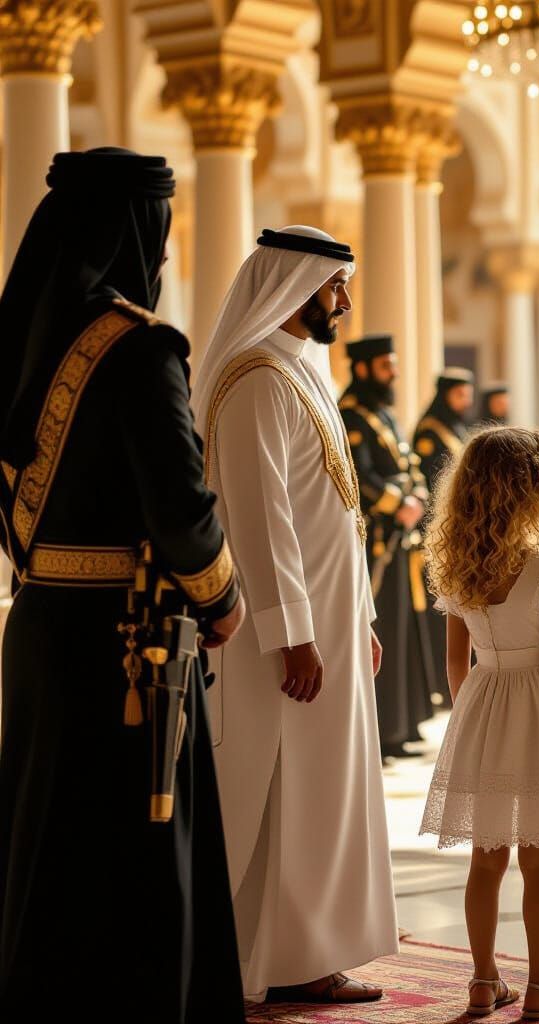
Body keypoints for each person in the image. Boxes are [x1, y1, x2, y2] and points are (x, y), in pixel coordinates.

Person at [0, 149, 246, 1023]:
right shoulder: (141, 349)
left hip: (37, 627)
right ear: (136, 231)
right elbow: (181, 506)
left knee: (46, 832)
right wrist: (223, 601)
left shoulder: (22, 343)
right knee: (130, 843)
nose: (169, 254)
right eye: (161, 230)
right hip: (129, 646)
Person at [192, 226, 398, 1003]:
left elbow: (338, 514)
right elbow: (260, 519)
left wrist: (364, 618)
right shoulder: (256, 382)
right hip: (288, 641)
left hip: (329, 626)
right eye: (334, 286)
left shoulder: (299, 372)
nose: (343, 300)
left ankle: (303, 949)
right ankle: (273, 959)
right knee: (287, 789)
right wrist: (296, 637)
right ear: (294, 286)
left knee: (321, 789)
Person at [421, 427, 539, 1020]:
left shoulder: (456, 572)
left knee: (486, 859)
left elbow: (457, 663)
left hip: (482, 708)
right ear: (532, 497)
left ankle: (482, 981)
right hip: (536, 716)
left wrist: (473, 719)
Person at [340, 334, 435, 758]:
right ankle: (381, 732)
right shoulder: (350, 415)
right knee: (383, 631)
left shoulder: (383, 414)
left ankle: (401, 727)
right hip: (374, 542)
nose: (393, 373)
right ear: (362, 369)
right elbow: (357, 477)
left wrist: (417, 498)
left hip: (400, 540)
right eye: (385, 366)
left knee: (401, 629)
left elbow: (409, 463)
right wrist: (399, 504)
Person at [414, 367, 476, 704]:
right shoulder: (430, 431)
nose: (465, 400)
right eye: (459, 394)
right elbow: (432, 480)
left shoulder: (455, 427)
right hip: (445, 527)